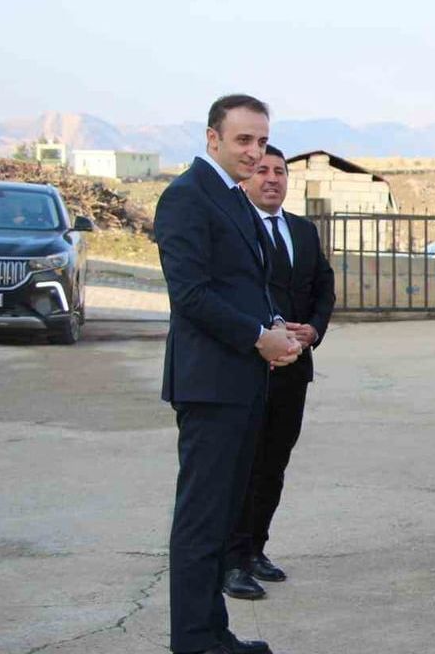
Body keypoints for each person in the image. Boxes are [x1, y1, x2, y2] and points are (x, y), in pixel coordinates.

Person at [155, 94, 301, 654]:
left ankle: (212, 631)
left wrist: (276, 329)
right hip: (211, 385)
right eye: (243, 140)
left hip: (243, 382)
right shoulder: (187, 197)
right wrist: (256, 337)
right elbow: (190, 295)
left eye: (262, 141)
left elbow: (243, 285)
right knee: (200, 521)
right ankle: (193, 641)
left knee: (221, 520)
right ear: (212, 139)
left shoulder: (232, 200)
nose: (254, 151)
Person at [223, 145, 335, 600]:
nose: (272, 178)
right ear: (248, 177)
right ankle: (229, 561)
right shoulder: (234, 229)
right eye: (263, 170)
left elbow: (324, 289)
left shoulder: (303, 231)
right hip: (247, 368)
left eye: (280, 172)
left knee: (273, 464)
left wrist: (313, 330)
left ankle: (255, 550)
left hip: (293, 371)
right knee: (239, 466)